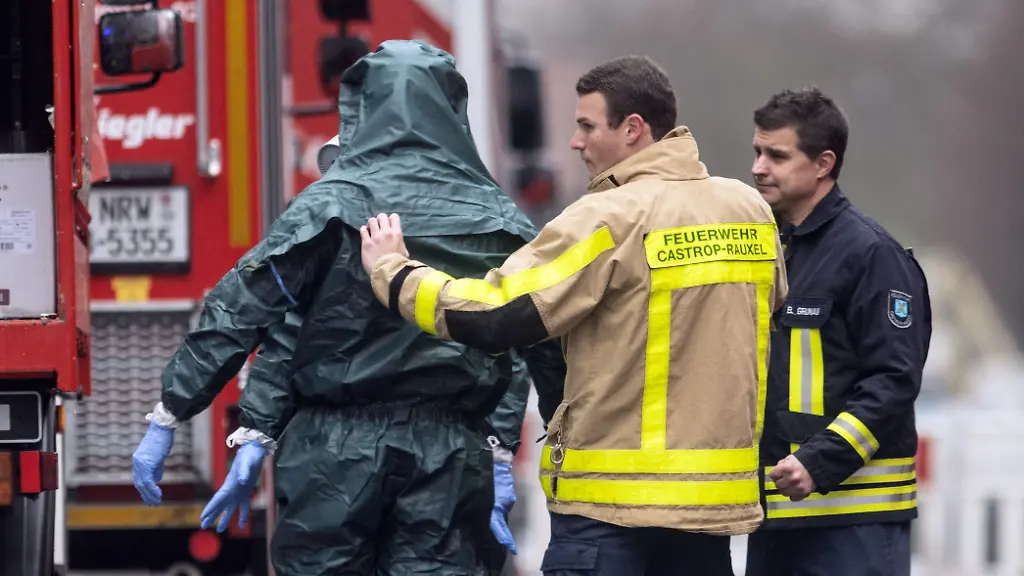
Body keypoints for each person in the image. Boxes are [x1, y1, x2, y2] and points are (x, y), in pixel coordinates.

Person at [129, 39, 566, 576]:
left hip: (333, 453)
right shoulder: (502, 220)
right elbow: (531, 343)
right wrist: (507, 448)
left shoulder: (329, 206)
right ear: (454, 108)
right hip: (452, 454)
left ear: (362, 106)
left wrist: (172, 412)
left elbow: (248, 313)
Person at [360, 55, 788, 576]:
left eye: (587, 126)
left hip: (609, 511)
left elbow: (498, 315)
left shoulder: (609, 216)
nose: (575, 142)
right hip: (708, 513)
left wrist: (395, 274)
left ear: (633, 129)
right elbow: (766, 312)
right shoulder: (748, 209)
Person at [744, 87, 932, 576]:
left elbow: (893, 380)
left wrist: (820, 460)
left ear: (824, 163)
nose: (759, 167)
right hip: (778, 522)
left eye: (777, 156)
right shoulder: (774, 251)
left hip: (854, 527)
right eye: (757, 152)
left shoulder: (872, 255)